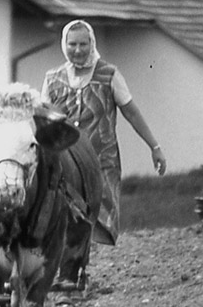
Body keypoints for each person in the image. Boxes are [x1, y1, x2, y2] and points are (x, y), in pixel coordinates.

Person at [41, 19, 166, 289]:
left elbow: (131, 112)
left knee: (92, 218)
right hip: (66, 161)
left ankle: (76, 272)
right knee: (64, 214)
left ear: (92, 44)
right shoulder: (53, 78)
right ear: (64, 45)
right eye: (72, 44)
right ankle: (68, 274)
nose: (77, 50)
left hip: (100, 160)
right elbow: (45, 119)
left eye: (83, 44)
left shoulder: (108, 74)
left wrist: (154, 147)